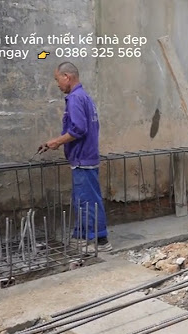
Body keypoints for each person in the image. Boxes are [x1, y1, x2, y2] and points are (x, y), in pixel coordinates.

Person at [38, 61, 112, 252]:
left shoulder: (75, 99)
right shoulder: (84, 97)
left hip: (83, 158)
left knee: (87, 200)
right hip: (87, 156)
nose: (57, 84)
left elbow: (79, 129)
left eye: (57, 80)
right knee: (87, 199)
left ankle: (96, 242)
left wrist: (57, 141)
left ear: (67, 77)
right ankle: (86, 237)